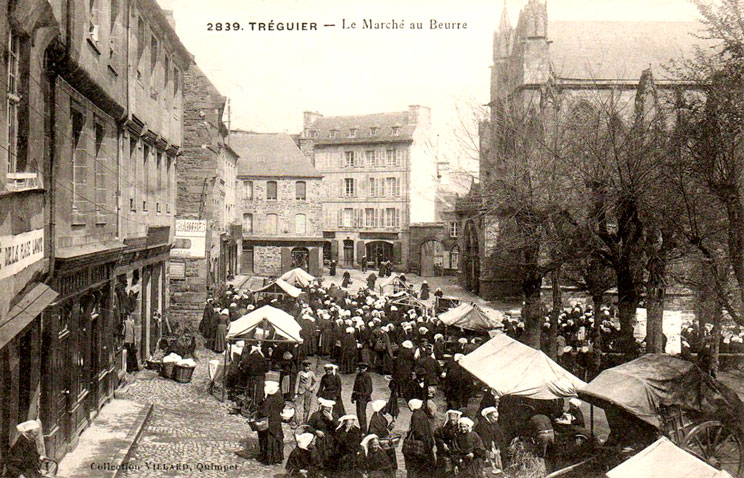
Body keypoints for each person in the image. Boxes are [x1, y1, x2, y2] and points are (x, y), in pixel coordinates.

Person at [403, 399, 435, 478]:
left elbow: (418, 432)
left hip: (422, 444)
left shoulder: (415, 415)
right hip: (427, 442)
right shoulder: (422, 413)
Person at [256, 381, 284, 465]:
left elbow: (263, 412)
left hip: (270, 422)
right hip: (277, 420)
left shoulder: (269, 400)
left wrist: (259, 409)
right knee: (277, 438)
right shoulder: (279, 398)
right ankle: (278, 458)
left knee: (269, 439)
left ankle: (269, 458)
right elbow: (282, 406)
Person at [307, 398, 339, 471]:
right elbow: (308, 427)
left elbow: (338, 428)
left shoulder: (334, 415)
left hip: (331, 440)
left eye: (329, 409)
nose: (327, 410)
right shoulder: (316, 415)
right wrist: (316, 431)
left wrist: (331, 419)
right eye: (325, 408)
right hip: (319, 440)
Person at [368, 399, 397, 470]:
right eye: (385, 408)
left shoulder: (378, 416)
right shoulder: (376, 418)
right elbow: (381, 431)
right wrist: (389, 428)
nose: (386, 410)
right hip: (380, 443)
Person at [475, 407, 506, 476]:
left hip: (493, 445)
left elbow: (499, 434)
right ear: (489, 416)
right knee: (488, 463)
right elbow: (483, 438)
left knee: (496, 461)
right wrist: (488, 448)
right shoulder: (482, 425)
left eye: (497, 417)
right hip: (485, 447)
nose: (496, 419)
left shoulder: (495, 424)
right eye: (494, 417)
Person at [433, 409, 461, 477]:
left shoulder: (460, 428)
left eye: (454, 420)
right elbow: (437, 436)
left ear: (457, 418)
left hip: (455, 452)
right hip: (444, 452)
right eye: (451, 420)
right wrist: (442, 444)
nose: (453, 422)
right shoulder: (443, 428)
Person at [240, 344, 268, 408]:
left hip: (252, 376)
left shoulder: (250, 357)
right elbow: (267, 369)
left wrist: (246, 371)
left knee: (252, 390)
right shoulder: (262, 358)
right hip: (261, 377)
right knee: (259, 390)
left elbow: (244, 366)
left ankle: (252, 403)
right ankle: (258, 404)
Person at [294, 360, 318, 425]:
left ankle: (305, 420)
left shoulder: (311, 373)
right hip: (300, 391)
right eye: (305, 367)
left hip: (308, 392)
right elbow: (297, 383)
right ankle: (298, 421)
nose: (307, 368)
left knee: (307, 407)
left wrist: (312, 388)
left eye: (308, 367)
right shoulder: (300, 373)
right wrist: (296, 393)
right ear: (303, 367)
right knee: (298, 406)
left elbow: (316, 381)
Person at [352, 362, 373, 434]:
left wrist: (364, 396)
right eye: (360, 368)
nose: (361, 370)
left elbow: (369, 389)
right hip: (358, 397)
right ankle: (362, 428)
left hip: (363, 398)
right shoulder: (358, 375)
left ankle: (364, 430)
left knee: (362, 414)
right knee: (359, 413)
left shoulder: (367, 376)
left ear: (366, 369)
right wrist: (353, 396)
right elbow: (355, 387)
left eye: (363, 368)